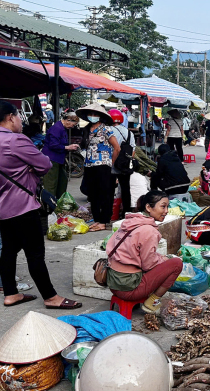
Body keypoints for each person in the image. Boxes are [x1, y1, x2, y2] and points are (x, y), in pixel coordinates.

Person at [0, 101, 82, 309]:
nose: (21, 121)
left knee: (8, 249)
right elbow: (45, 164)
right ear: (10, 117)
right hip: (22, 205)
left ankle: (11, 293)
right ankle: (51, 297)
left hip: (3, 207)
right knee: (35, 252)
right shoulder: (15, 140)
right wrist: (29, 168)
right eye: (19, 116)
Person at [106, 190, 183, 314]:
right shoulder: (149, 230)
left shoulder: (129, 223)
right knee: (176, 263)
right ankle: (152, 302)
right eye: (163, 206)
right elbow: (148, 264)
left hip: (113, 285)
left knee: (161, 260)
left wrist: (160, 258)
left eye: (167, 207)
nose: (166, 211)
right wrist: (164, 259)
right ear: (148, 207)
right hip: (128, 289)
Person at [77, 103, 121, 232]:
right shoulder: (86, 129)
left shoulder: (106, 129)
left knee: (105, 194)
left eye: (95, 114)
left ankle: (104, 221)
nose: (93, 116)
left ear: (101, 116)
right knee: (92, 194)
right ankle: (97, 220)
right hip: (89, 165)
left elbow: (117, 148)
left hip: (103, 166)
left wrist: (110, 163)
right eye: (90, 114)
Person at [41, 111, 80, 199]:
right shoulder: (57, 128)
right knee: (51, 183)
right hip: (52, 159)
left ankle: (58, 202)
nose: (72, 127)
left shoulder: (62, 128)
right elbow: (53, 145)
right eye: (73, 125)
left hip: (59, 159)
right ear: (68, 120)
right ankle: (49, 205)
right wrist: (68, 147)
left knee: (62, 181)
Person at [109, 109, 137, 218]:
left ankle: (109, 213)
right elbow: (133, 150)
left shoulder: (108, 131)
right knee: (126, 190)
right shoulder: (129, 132)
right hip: (125, 165)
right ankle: (126, 213)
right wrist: (127, 162)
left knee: (110, 190)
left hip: (111, 164)